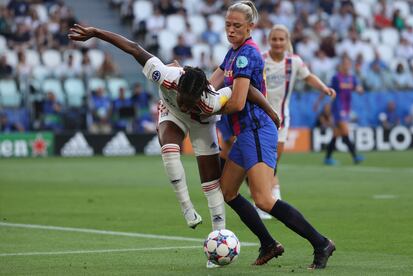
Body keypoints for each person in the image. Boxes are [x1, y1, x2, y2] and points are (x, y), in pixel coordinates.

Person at [68, 23, 280, 246]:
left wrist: (270, 111)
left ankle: (219, 239)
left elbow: (247, 92)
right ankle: (187, 207)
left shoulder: (212, 101)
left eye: (191, 104)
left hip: (202, 124)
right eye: (185, 102)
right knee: (169, 149)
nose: (187, 106)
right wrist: (97, 32)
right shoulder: (165, 75)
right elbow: (133, 48)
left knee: (211, 184)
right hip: (171, 113)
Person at [208, 1, 335, 269]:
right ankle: (268, 244)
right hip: (246, 133)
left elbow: (239, 102)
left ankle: (320, 242)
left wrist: (206, 110)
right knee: (227, 191)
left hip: (256, 130)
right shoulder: (232, 53)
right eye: (228, 25)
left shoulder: (247, 55)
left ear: (250, 27)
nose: (230, 30)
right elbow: (213, 82)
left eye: (237, 26)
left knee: (264, 199)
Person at [260, 24, 336, 207]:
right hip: (260, 118)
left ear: (287, 42)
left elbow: (308, 76)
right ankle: (266, 200)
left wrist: (323, 88)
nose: (278, 43)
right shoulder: (261, 60)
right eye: (274, 39)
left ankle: (270, 197)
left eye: (281, 39)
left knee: (273, 162)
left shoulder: (293, 62)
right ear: (269, 41)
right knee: (262, 162)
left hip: (281, 119)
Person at [315, 54, 364, 165]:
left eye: (348, 64)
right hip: (337, 108)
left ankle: (327, 158)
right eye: (345, 63)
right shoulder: (336, 78)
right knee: (345, 131)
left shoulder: (352, 78)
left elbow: (358, 88)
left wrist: (360, 89)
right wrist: (318, 102)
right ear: (341, 65)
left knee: (336, 134)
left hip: (347, 108)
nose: (347, 66)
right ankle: (355, 156)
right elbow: (327, 90)